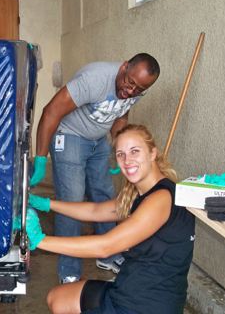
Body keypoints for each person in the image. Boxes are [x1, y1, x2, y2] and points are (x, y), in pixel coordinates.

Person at [27, 124, 195, 314]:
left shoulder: (161, 198)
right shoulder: (144, 193)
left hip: (146, 305)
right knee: (57, 299)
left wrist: (40, 240)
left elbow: (105, 246)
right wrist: (45, 203)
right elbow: (95, 211)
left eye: (135, 151)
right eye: (121, 154)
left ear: (152, 153)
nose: (127, 160)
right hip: (129, 290)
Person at [29, 53, 160, 283]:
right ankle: (69, 270)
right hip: (69, 136)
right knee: (72, 201)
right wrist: (40, 159)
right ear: (123, 67)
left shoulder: (135, 87)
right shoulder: (94, 79)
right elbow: (51, 111)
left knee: (104, 195)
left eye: (138, 89)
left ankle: (108, 255)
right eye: (129, 83)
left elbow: (121, 115)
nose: (130, 91)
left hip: (98, 140)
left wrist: (119, 151)